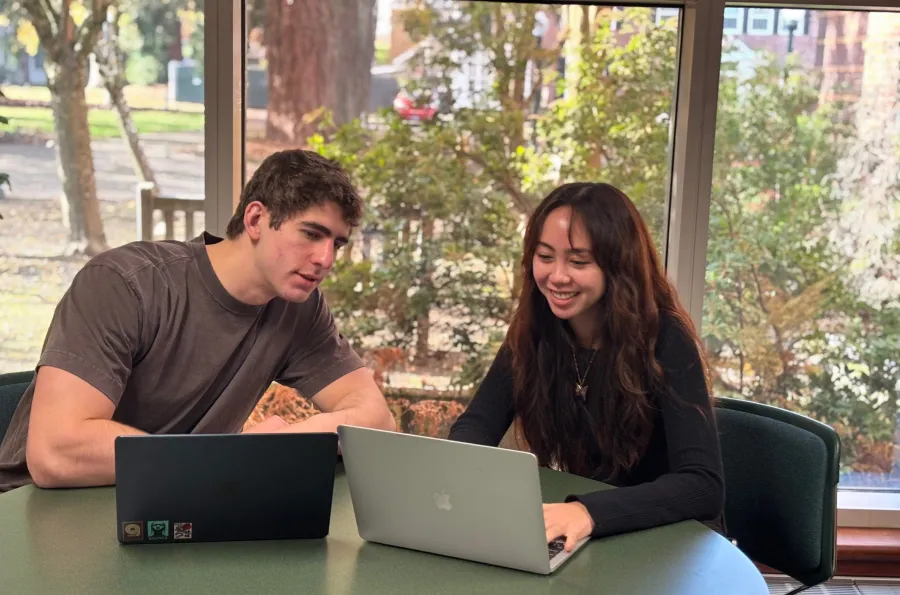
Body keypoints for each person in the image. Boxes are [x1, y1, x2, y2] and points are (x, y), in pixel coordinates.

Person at [0, 149, 396, 493]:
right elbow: (56, 452)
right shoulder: (125, 282)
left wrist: (281, 444)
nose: (325, 259)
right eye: (312, 234)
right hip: (37, 509)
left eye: (336, 244)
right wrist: (229, 459)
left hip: (176, 500)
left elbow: (376, 419)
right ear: (256, 219)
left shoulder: (300, 309)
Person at [447, 182, 724, 551]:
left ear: (617, 267)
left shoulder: (666, 338)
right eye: (545, 257)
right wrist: (458, 473)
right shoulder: (536, 329)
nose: (558, 276)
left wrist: (587, 512)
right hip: (591, 541)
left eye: (578, 261)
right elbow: (477, 423)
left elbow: (703, 486)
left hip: (666, 548)